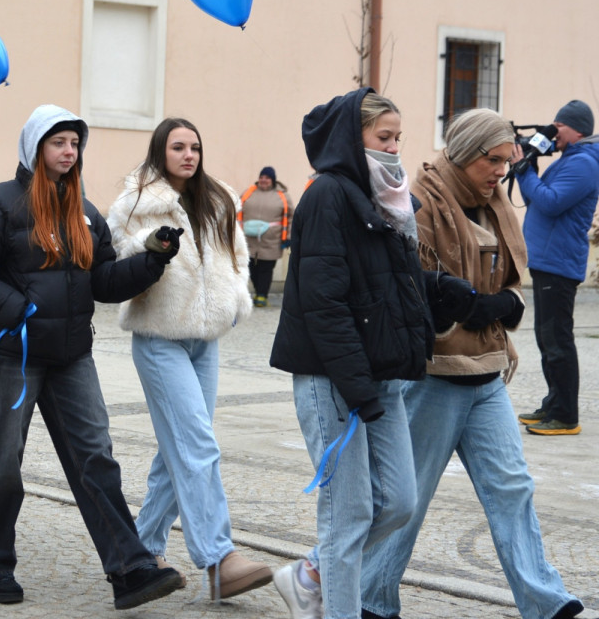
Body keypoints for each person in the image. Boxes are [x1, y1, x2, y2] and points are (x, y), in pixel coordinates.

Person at [0, 104, 184, 610]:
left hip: (72, 356)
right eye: (58, 142)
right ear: (35, 147)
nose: (68, 151)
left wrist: (152, 260)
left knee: (96, 458)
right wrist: (20, 310)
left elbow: (103, 282)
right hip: (13, 354)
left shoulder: (85, 211)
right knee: (0, 464)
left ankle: (130, 568)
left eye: (75, 143)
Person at [359, 108, 584, 619]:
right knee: (405, 502)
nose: (502, 172)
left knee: (512, 489)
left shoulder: (494, 203)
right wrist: (468, 303)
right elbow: (412, 291)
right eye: (493, 160)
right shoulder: (418, 203)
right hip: (433, 378)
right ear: (463, 154)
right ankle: (369, 598)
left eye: (508, 161)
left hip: (486, 374)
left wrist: (496, 303)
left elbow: (510, 284)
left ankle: (546, 603)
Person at [268, 89, 475, 619]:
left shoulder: (389, 198)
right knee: (349, 515)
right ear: (350, 138)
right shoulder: (327, 195)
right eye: (384, 137)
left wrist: (436, 289)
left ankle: (309, 574)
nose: (395, 147)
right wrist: (359, 389)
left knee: (400, 502)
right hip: (331, 378)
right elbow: (325, 304)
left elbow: (383, 282)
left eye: (399, 137)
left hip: (380, 376)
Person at [107, 118, 273, 600]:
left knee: (176, 449)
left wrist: (236, 298)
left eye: (195, 147)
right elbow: (118, 259)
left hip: (206, 342)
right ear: (160, 151)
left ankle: (139, 552)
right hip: (160, 339)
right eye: (178, 147)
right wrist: (149, 246)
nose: (188, 155)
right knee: (197, 444)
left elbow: (237, 255)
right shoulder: (135, 203)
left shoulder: (217, 199)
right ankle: (219, 559)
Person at [513, 99, 599, 436]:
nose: (553, 131)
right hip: (548, 261)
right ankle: (553, 404)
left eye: (558, 126)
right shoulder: (571, 160)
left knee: (557, 340)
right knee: (547, 338)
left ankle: (565, 416)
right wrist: (528, 165)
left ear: (576, 130)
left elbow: (550, 203)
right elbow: (536, 199)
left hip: (558, 264)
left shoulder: (585, 164)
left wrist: (524, 171)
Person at [238, 165, 289, 307]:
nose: (263, 180)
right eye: (261, 177)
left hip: (271, 240)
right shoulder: (248, 193)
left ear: (273, 180)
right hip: (249, 240)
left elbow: (290, 217)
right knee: (251, 268)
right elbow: (237, 211)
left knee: (266, 268)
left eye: (267, 177)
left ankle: (262, 295)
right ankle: (258, 290)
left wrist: (288, 236)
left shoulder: (282, 196)